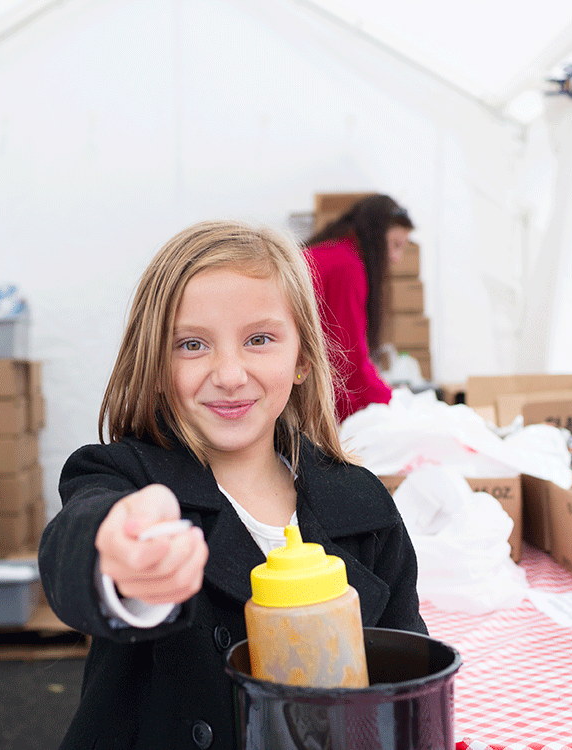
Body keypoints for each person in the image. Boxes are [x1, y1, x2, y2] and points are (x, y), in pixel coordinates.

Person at [38, 220, 426, 750]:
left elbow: (406, 678)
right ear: (155, 363)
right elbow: (73, 546)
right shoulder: (123, 479)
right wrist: (117, 552)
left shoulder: (364, 504)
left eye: (259, 340)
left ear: (303, 358)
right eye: (193, 344)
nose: (229, 373)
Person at [303, 193, 415, 421]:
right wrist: (392, 403)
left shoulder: (332, 253)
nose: (396, 258)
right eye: (395, 245)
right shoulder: (347, 267)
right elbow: (348, 358)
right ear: (376, 235)